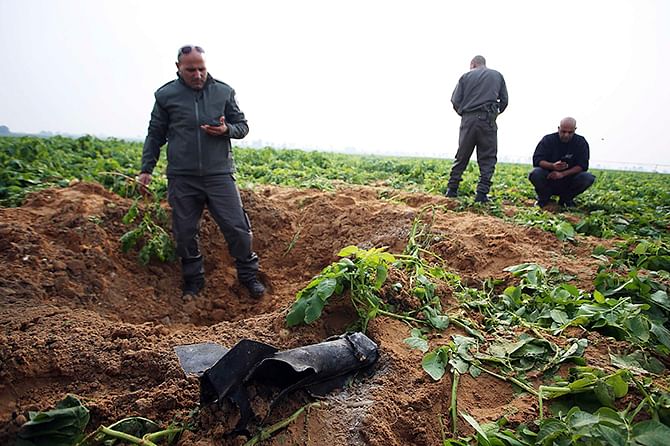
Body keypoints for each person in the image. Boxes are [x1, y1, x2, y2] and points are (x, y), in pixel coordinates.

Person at [138, 45, 265, 298]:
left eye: (202, 69)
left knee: (238, 229)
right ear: (178, 68)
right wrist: (146, 169)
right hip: (182, 177)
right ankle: (193, 281)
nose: (197, 75)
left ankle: (249, 277)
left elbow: (242, 126)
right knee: (185, 233)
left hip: (219, 174)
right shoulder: (165, 96)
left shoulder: (224, 91)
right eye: (190, 70)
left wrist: (226, 130)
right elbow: (155, 135)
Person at [446, 55, 508, 203]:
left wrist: (465, 113)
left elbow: (455, 100)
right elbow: (504, 101)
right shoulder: (497, 75)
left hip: (468, 119)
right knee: (487, 157)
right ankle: (481, 194)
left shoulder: (465, 76)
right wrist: (494, 114)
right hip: (488, 120)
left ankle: (452, 190)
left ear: (473, 64)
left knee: (462, 155)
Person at [529, 117, 596, 208]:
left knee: (587, 177)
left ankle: (566, 200)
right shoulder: (548, 140)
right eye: (563, 131)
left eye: (570, 132)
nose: (566, 135)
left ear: (575, 130)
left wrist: (562, 174)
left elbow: (582, 165)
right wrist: (552, 166)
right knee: (535, 173)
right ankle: (543, 198)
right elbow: (537, 160)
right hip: (549, 178)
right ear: (558, 128)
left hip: (569, 180)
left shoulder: (580, 142)